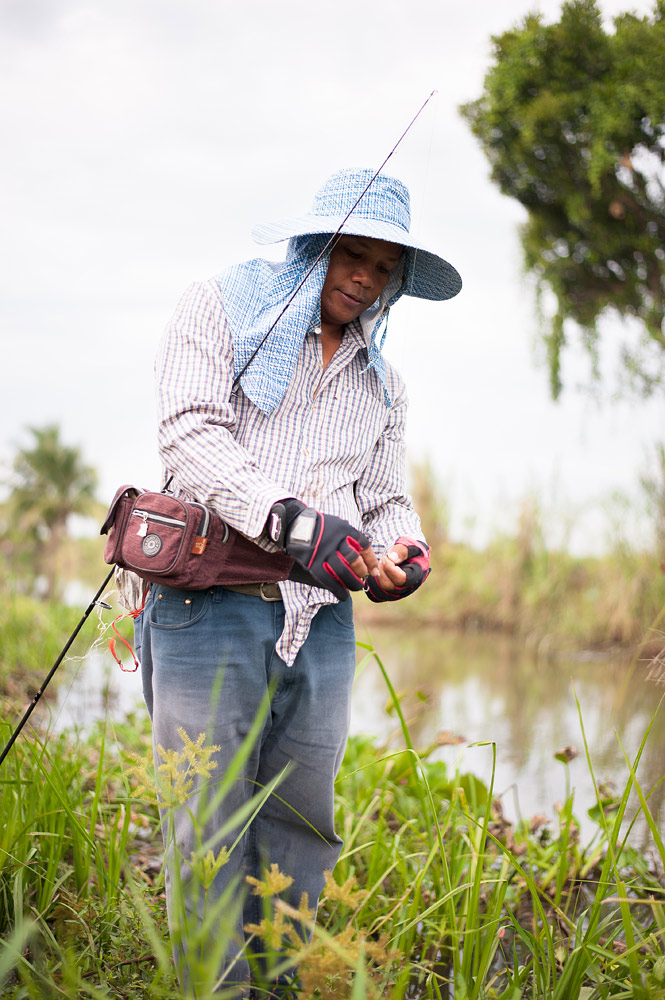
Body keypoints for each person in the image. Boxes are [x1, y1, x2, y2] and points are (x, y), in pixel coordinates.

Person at [134, 167, 461, 996]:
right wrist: (295, 525)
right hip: (206, 604)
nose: (364, 277)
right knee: (208, 821)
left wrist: (404, 552)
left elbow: (384, 494)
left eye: (383, 267)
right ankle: (218, 988)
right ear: (312, 250)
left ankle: (281, 986)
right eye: (351, 255)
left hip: (318, 620)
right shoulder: (216, 310)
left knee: (301, 820)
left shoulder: (379, 381)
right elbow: (188, 436)